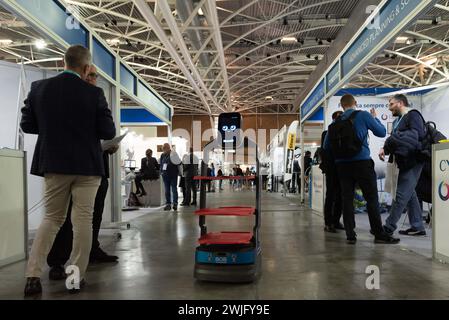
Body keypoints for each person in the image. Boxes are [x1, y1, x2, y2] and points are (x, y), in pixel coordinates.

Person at [21, 45, 116, 296]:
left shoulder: (38, 89)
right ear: (86, 68)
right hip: (88, 166)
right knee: (82, 220)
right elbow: (108, 132)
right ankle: (75, 278)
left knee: (51, 219)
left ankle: (32, 277)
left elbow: (27, 124)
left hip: (54, 163)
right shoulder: (94, 93)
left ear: (64, 62)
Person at [46, 65, 119, 283]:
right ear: (82, 73)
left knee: (92, 215)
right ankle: (58, 261)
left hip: (96, 167)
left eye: (96, 76)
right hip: (72, 168)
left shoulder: (95, 97)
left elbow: (103, 130)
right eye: (92, 75)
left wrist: (109, 145)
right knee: (65, 217)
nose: (94, 79)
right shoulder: (71, 97)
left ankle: (91, 251)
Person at [324, 94, 399, 245]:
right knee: (371, 198)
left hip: (342, 166)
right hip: (362, 163)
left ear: (341, 105)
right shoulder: (363, 116)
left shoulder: (335, 123)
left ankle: (350, 235)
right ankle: (378, 234)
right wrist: (375, 118)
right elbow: (381, 132)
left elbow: (326, 147)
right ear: (355, 103)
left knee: (347, 199)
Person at [379, 94, 426, 236]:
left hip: (413, 160)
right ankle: (418, 226)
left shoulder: (413, 115)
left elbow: (416, 137)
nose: (389, 108)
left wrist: (395, 139)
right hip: (403, 161)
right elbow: (393, 139)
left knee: (400, 195)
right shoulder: (398, 121)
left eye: (391, 104)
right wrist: (385, 149)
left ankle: (388, 227)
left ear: (400, 103)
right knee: (409, 193)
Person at [321, 111, 344, 233]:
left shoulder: (345, 130)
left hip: (342, 167)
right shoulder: (327, 132)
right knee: (331, 194)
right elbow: (325, 150)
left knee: (340, 195)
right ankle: (328, 222)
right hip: (332, 168)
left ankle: (336, 220)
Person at [160, 143, 181, 211]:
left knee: (174, 189)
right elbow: (161, 164)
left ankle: (175, 204)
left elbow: (179, 162)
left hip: (173, 175)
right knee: (167, 190)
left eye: (164, 149)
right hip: (165, 175)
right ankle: (168, 204)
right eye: (163, 149)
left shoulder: (174, 154)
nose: (163, 150)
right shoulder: (162, 155)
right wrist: (161, 172)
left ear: (168, 148)